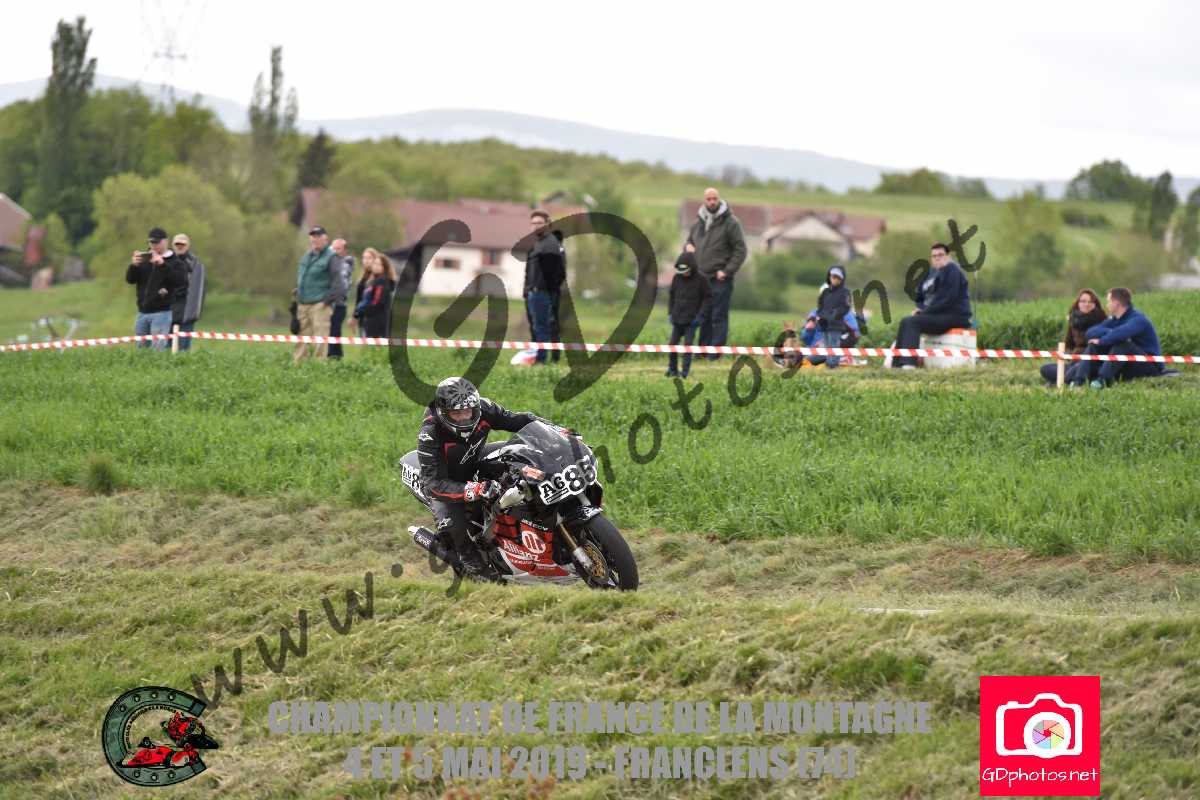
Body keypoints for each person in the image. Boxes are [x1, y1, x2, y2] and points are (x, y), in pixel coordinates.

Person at [416, 377, 550, 580]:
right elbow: (433, 484)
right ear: (444, 412)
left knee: (519, 452)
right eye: (456, 413)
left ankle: (534, 516)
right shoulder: (430, 433)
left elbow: (519, 420)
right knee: (454, 526)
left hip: (474, 459)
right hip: (446, 482)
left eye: (468, 412)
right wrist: (474, 489)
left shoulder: (484, 409)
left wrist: (554, 431)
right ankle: (469, 561)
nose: (464, 418)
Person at [686, 187, 747, 360]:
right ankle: (702, 352)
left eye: (715, 199)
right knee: (703, 316)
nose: (712, 202)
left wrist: (727, 271)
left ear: (719, 199)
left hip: (720, 279)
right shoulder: (698, 222)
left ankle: (715, 353)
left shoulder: (731, 222)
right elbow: (689, 242)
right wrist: (688, 247)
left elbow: (740, 250)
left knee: (718, 316)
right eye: (709, 199)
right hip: (701, 278)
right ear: (704, 200)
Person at [890, 242, 973, 369]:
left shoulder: (952, 270)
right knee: (905, 321)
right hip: (936, 315)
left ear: (948, 256)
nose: (937, 258)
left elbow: (946, 299)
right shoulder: (930, 274)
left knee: (912, 322)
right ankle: (897, 365)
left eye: (941, 255)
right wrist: (920, 309)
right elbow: (919, 297)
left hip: (954, 316)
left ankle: (909, 365)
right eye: (934, 256)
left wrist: (924, 312)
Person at [1072, 287, 1164, 388]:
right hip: (1127, 361)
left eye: (1108, 301)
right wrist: (1112, 332)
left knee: (1124, 344)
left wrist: (1103, 340)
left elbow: (1121, 334)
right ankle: (1078, 381)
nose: (1107, 305)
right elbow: (1091, 332)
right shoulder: (1115, 320)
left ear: (1116, 303)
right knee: (1093, 346)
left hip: (1150, 365)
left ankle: (1102, 381)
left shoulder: (1138, 319)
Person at [126, 227, 187, 351]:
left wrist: (162, 265)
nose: (153, 245)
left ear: (166, 241)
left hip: (162, 313)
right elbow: (130, 280)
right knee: (140, 351)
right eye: (151, 242)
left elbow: (181, 282)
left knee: (157, 351)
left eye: (157, 242)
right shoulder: (144, 258)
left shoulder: (175, 261)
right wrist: (133, 266)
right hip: (142, 312)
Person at [293, 226, 348, 363]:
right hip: (303, 303)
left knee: (320, 340)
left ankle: (319, 367)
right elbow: (305, 277)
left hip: (320, 305)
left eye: (318, 236)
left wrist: (326, 301)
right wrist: (299, 290)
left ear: (325, 239)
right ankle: (299, 367)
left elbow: (339, 284)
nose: (315, 239)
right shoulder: (307, 256)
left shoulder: (332, 257)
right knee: (302, 338)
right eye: (313, 236)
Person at [523, 210, 566, 364]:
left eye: (539, 223)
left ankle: (541, 361)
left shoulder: (550, 244)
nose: (536, 226)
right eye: (533, 223)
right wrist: (528, 290)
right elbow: (530, 272)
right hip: (533, 293)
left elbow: (558, 273)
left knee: (543, 328)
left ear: (547, 224)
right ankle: (538, 358)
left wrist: (546, 289)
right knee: (537, 328)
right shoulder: (538, 243)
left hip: (543, 293)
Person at [1040, 289, 1105, 384]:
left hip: (1090, 363)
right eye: (1083, 301)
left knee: (1074, 371)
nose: (1086, 304)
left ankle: (1062, 381)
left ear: (1095, 304)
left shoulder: (1102, 321)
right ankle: (1066, 378)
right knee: (1045, 369)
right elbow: (1068, 344)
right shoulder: (1073, 321)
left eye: (1090, 302)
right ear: (1078, 303)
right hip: (1073, 361)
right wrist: (1069, 355)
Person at [665, 251, 712, 379]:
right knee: (672, 344)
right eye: (681, 271)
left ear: (692, 267)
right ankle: (672, 369)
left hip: (692, 321)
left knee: (687, 346)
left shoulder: (702, 279)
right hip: (677, 319)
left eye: (686, 271)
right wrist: (670, 313)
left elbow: (708, 299)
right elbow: (671, 296)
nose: (683, 274)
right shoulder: (676, 278)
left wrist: (701, 316)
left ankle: (684, 372)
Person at [804, 265, 852, 369]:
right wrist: (822, 316)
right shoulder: (825, 292)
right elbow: (820, 307)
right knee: (826, 346)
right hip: (824, 324)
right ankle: (827, 365)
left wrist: (833, 315)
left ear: (841, 279)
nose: (834, 279)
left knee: (834, 346)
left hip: (836, 325)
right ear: (829, 277)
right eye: (833, 276)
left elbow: (845, 308)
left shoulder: (845, 292)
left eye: (837, 277)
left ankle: (832, 366)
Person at [169, 233, 206, 352]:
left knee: (183, 349)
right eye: (177, 244)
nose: (180, 246)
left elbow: (198, 291)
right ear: (172, 245)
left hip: (186, 313)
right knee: (165, 349)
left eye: (182, 244)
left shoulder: (195, 264)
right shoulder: (165, 261)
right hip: (167, 313)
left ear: (188, 245)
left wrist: (193, 313)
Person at [352, 247, 398, 339]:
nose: (375, 266)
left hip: (377, 323)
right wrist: (357, 314)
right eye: (375, 264)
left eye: (379, 264)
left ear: (384, 267)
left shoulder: (381, 281)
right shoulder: (373, 280)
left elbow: (377, 302)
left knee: (374, 346)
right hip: (369, 320)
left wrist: (363, 311)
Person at [327, 238, 354, 359]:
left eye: (338, 249)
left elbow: (341, 286)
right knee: (330, 333)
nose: (335, 251)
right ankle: (334, 357)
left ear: (344, 251)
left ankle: (334, 358)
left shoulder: (344, 265)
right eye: (333, 248)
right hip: (329, 304)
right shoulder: (331, 262)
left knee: (334, 333)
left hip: (338, 305)